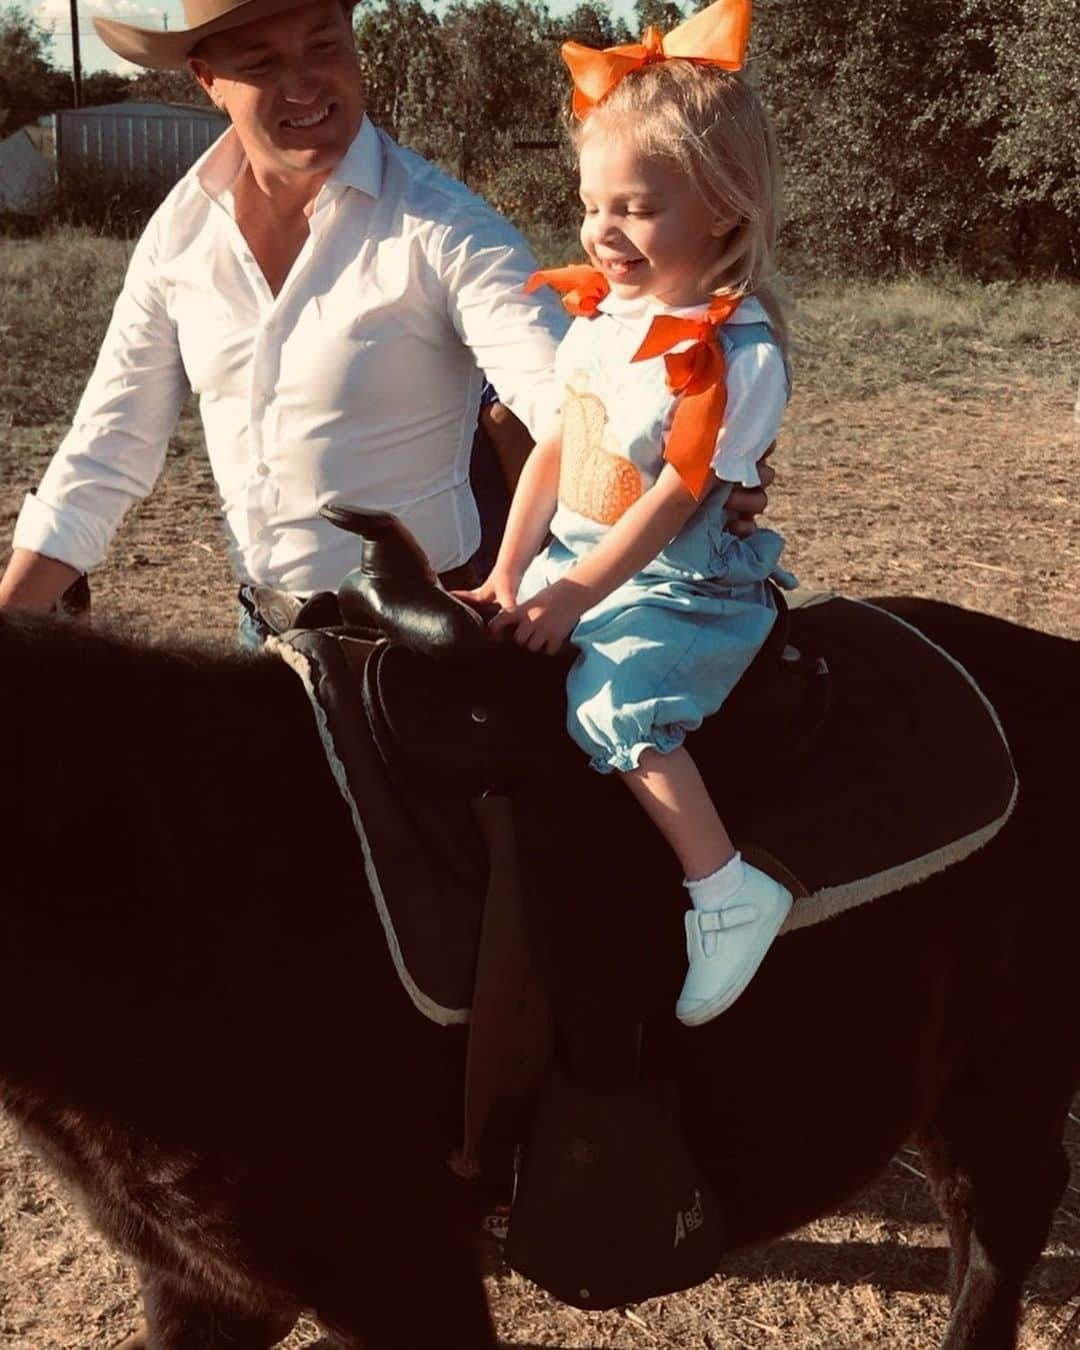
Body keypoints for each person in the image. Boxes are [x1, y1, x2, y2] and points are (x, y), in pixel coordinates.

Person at [0, 0, 774, 630]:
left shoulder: (442, 227)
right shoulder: (180, 233)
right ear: (208, 78)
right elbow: (108, 450)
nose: (306, 84)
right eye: (264, 63)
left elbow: (565, 396)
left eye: (324, 45)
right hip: (265, 628)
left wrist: (681, 456)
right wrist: (13, 621)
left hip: (426, 632)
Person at [466, 0, 793, 1027]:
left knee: (614, 708)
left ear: (723, 215)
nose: (603, 231)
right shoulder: (605, 322)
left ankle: (725, 888)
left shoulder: (740, 358)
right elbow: (556, 452)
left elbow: (677, 496)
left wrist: (573, 590)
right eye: (590, 202)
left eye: (638, 208)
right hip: (580, 564)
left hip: (681, 589)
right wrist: (508, 573)